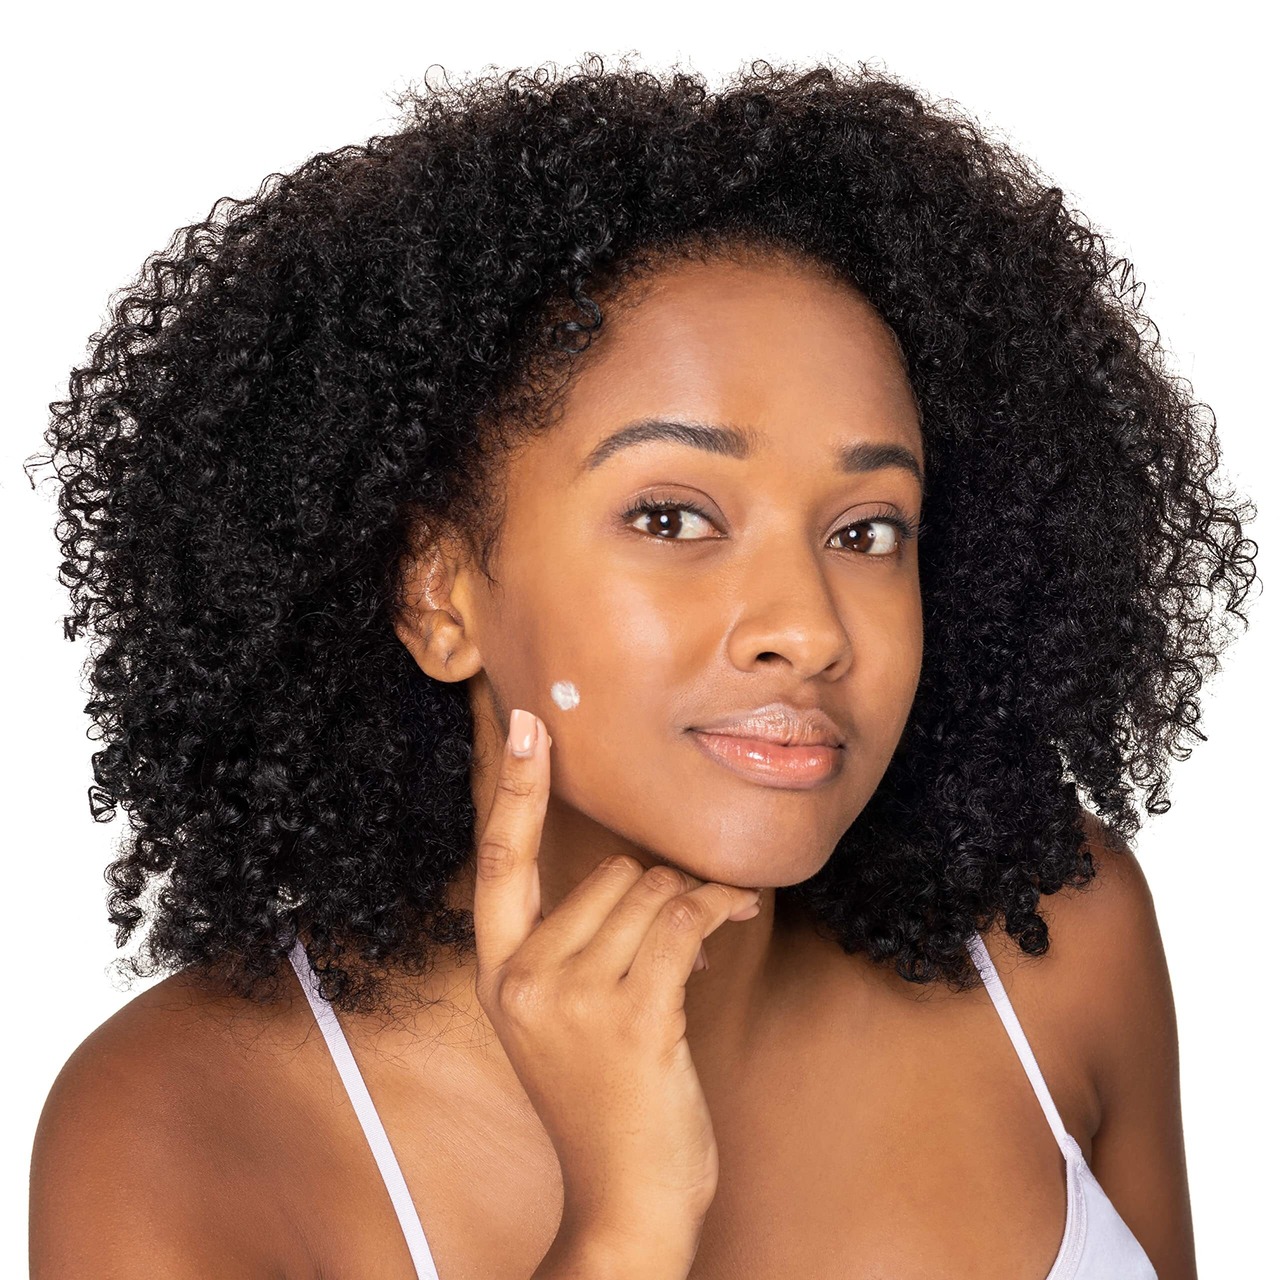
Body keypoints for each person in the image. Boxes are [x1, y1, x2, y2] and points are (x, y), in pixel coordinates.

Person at [26, 54, 1257, 1279]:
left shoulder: (1055, 942)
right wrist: (623, 1218)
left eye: (865, 530)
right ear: (437, 591)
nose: (808, 627)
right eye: (671, 517)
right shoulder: (180, 1127)